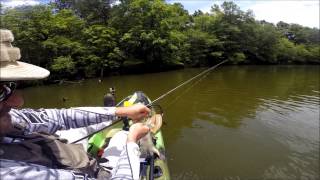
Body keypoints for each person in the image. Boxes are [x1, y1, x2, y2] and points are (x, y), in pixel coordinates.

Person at [0, 29, 151, 179]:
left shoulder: (11, 118)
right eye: (1, 91)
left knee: (77, 129)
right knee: (122, 137)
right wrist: (132, 140)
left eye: (12, 86)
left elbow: (61, 117)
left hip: (58, 153)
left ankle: (114, 121)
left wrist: (120, 112)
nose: (18, 101)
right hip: (89, 171)